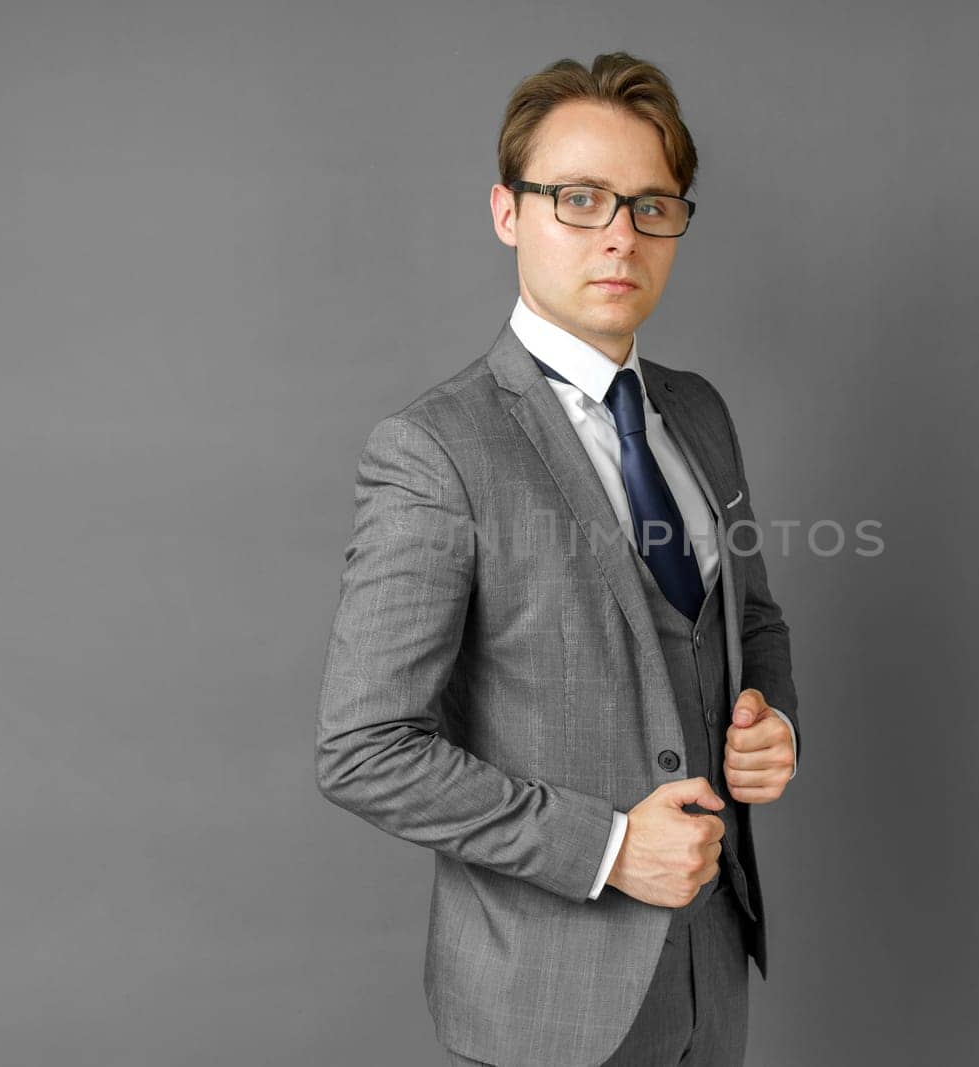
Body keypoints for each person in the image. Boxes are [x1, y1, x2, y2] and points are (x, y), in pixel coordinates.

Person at [315, 51, 800, 1067]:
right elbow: (365, 747)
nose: (620, 234)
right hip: (546, 1003)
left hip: (714, 971)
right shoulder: (435, 449)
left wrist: (770, 717)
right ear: (508, 213)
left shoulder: (700, 413)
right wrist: (612, 848)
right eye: (580, 199)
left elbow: (750, 620)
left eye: (651, 204)